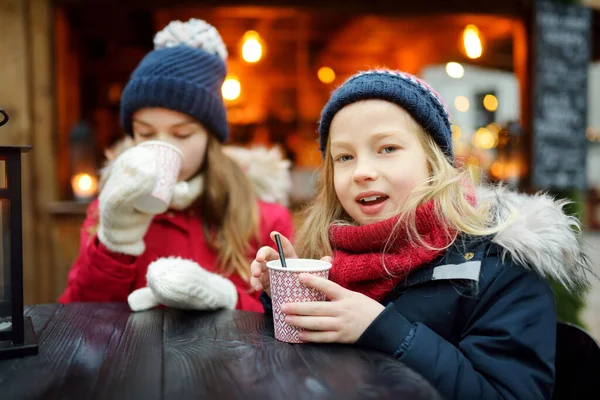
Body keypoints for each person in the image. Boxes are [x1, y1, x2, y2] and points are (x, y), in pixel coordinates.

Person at [251, 69, 593, 399]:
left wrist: (384, 330)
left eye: (387, 148)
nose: (362, 172)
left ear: (434, 161)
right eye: (344, 156)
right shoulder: (333, 255)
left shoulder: (502, 271)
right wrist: (290, 295)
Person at [58, 19, 294, 313]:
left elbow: (291, 321)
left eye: (181, 134)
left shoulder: (263, 219)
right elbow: (77, 320)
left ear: (210, 137)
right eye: (145, 133)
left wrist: (227, 298)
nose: (163, 146)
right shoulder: (108, 211)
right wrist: (114, 243)